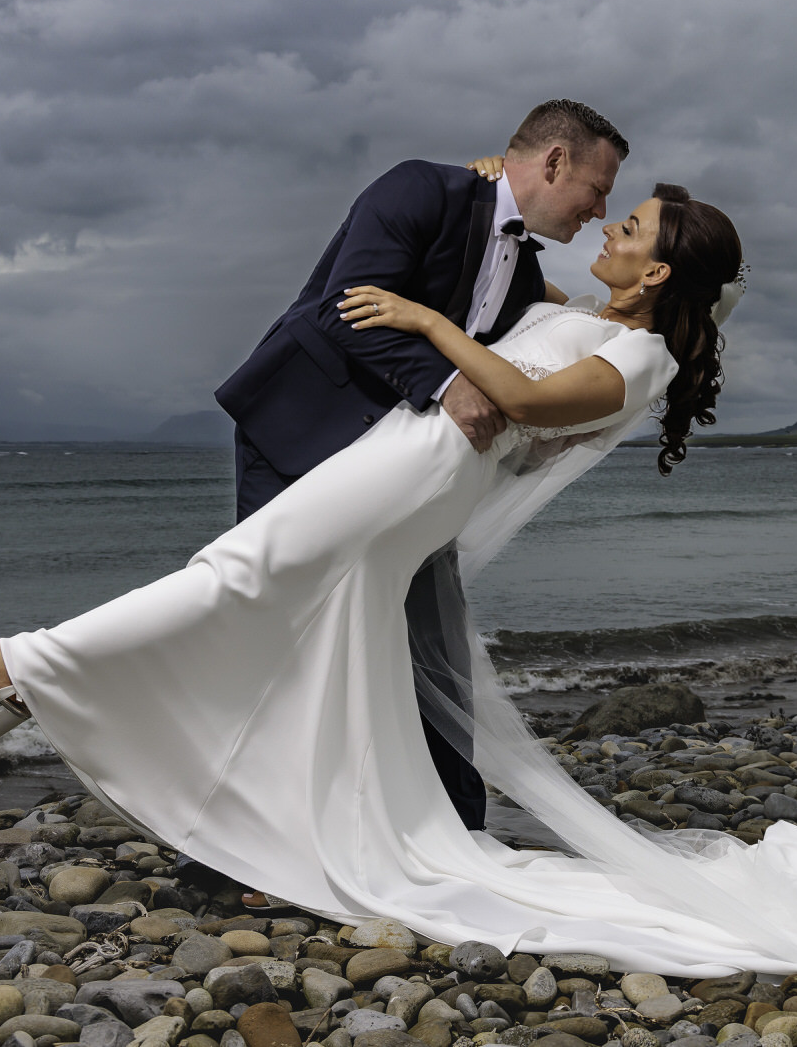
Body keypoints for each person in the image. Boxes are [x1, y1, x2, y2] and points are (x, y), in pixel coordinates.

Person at [0, 182, 797, 974]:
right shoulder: (595, 318)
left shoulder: (642, 354)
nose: (612, 228)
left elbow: (525, 397)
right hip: (405, 459)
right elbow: (516, 320)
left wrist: (420, 318)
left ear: (658, 270)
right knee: (312, 634)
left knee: (242, 571)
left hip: (418, 475)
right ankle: (274, 803)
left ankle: (20, 665)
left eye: (628, 229)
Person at [208, 98, 626, 831]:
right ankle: (224, 843)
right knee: (278, 632)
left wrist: (547, 430)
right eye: (597, 189)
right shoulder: (421, 189)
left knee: (433, 636)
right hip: (300, 435)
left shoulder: (525, 273)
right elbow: (347, 304)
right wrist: (445, 383)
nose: (598, 210)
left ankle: (453, 826)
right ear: (555, 163)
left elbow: (539, 355)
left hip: (403, 467)